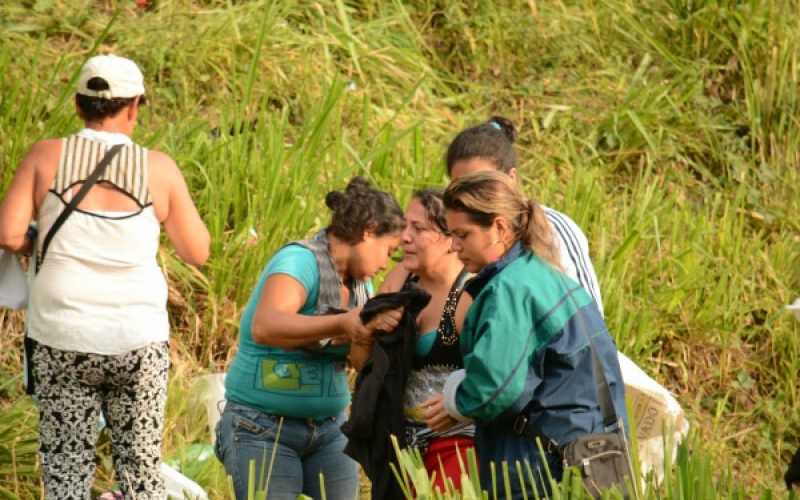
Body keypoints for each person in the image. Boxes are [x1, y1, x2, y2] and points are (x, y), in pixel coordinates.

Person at [0, 54, 210, 499]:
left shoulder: (45, 156)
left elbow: (8, 231)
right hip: (137, 339)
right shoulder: (158, 168)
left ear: (78, 105)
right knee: (139, 470)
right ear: (134, 107)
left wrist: (35, 242)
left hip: (62, 336)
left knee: (66, 469)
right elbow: (197, 251)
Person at [424, 171, 628, 499]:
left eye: (464, 234)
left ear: (500, 227)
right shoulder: (544, 273)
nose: (454, 246)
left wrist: (455, 402)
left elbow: (496, 389)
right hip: (596, 454)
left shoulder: (509, 288)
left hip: (545, 465)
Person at [215, 176, 405, 500]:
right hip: (263, 428)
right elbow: (267, 325)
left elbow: (357, 360)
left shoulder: (361, 287)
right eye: (388, 250)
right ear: (368, 231)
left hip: (330, 430)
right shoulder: (301, 260)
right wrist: (344, 323)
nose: (386, 262)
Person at [382, 116, 603, 314]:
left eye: (482, 182)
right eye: (460, 185)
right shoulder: (462, 242)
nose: (470, 195)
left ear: (511, 177)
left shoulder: (555, 228)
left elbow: (588, 320)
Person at [378, 189, 474, 491]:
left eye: (418, 229)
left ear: (450, 238)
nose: (405, 237)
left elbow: (497, 373)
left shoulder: (470, 293)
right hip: (399, 440)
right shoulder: (399, 280)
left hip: (457, 441)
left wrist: (458, 406)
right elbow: (360, 359)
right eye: (405, 226)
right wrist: (371, 327)